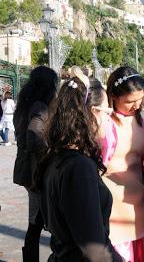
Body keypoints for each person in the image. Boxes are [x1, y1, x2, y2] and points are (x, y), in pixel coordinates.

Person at [35, 77, 123, 262]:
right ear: (92, 113)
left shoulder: (55, 156)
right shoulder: (79, 168)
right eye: (107, 112)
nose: (109, 119)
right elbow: (95, 249)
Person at [105, 66, 144, 262]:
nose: (136, 106)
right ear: (113, 97)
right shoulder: (106, 122)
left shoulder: (139, 121)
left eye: (140, 99)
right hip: (112, 207)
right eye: (130, 101)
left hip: (138, 204)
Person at [12, 66, 58, 262]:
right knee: (46, 222)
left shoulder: (24, 104)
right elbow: (33, 137)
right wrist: (51, 151)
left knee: (35, 223)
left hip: (28, 171)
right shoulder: (40, 106)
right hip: (37, 173)